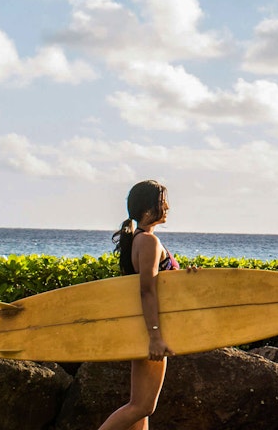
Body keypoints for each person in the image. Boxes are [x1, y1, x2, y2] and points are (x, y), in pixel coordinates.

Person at [99, 180, 190, 430]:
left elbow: (161, 285)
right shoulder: (148, 242)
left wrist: (186, 277)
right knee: (142, 406)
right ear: (149, 209)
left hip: (143, 326)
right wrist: (155, 337)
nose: (168, 206)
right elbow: (147, 290)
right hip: (150, 327)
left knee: (140, 406)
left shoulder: (139, 238)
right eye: (163, 202)